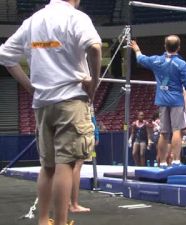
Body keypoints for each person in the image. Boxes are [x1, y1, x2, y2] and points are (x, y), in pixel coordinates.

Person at [0, 0, 102, 224]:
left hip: (43, 103)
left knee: (47, 166)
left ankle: (44, 220)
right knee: (66, 163)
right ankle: (61, 221)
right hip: (71, 100)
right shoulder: (76, 17)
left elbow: (5, 55)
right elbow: (95, 47)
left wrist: (29, 87)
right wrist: (94, 83)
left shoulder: (32, 21)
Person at [130, 35, 186, 167]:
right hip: (176, 101)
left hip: (162, 100)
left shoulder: (156, 60)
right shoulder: (181, 64)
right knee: (176, 130)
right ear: (178, 47)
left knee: (164, 132)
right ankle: (176, 161)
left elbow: (140, 58)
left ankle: (161, 162)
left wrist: (136, 49)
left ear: (165, 47)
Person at [70, 105, 99, 213]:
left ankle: (66, 201)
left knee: (63, 165)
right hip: (79, 124)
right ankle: (73, 204)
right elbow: (91, 116)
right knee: (77, 165)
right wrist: (96, 134)